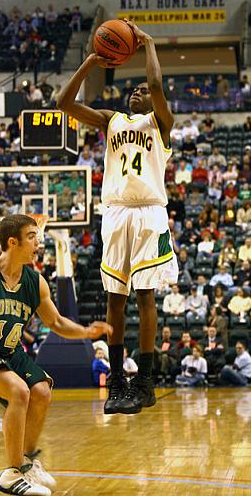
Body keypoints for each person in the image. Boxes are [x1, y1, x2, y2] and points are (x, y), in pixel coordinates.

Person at [58, 20, 178, 415]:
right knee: (115, 299)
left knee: (145, 296)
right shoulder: (111, 120)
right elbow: (64, 103)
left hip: (149, 214)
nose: (137, 92)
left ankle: (145, 381)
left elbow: (157, 87)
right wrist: (90, 63)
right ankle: (118, 382)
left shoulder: (161, 124)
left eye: (141, 90)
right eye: (133, 89)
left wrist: (147, 44)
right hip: (115, 213)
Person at [0, 215, 111, 495]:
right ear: (12, 242)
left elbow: (55, 322)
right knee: (19, 392)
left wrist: (86, 331)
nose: (38, 243)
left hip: (10, 352)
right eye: (32, 236)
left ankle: (25, 462)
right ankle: (12, 472)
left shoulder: (35, 281)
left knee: (41, 392)